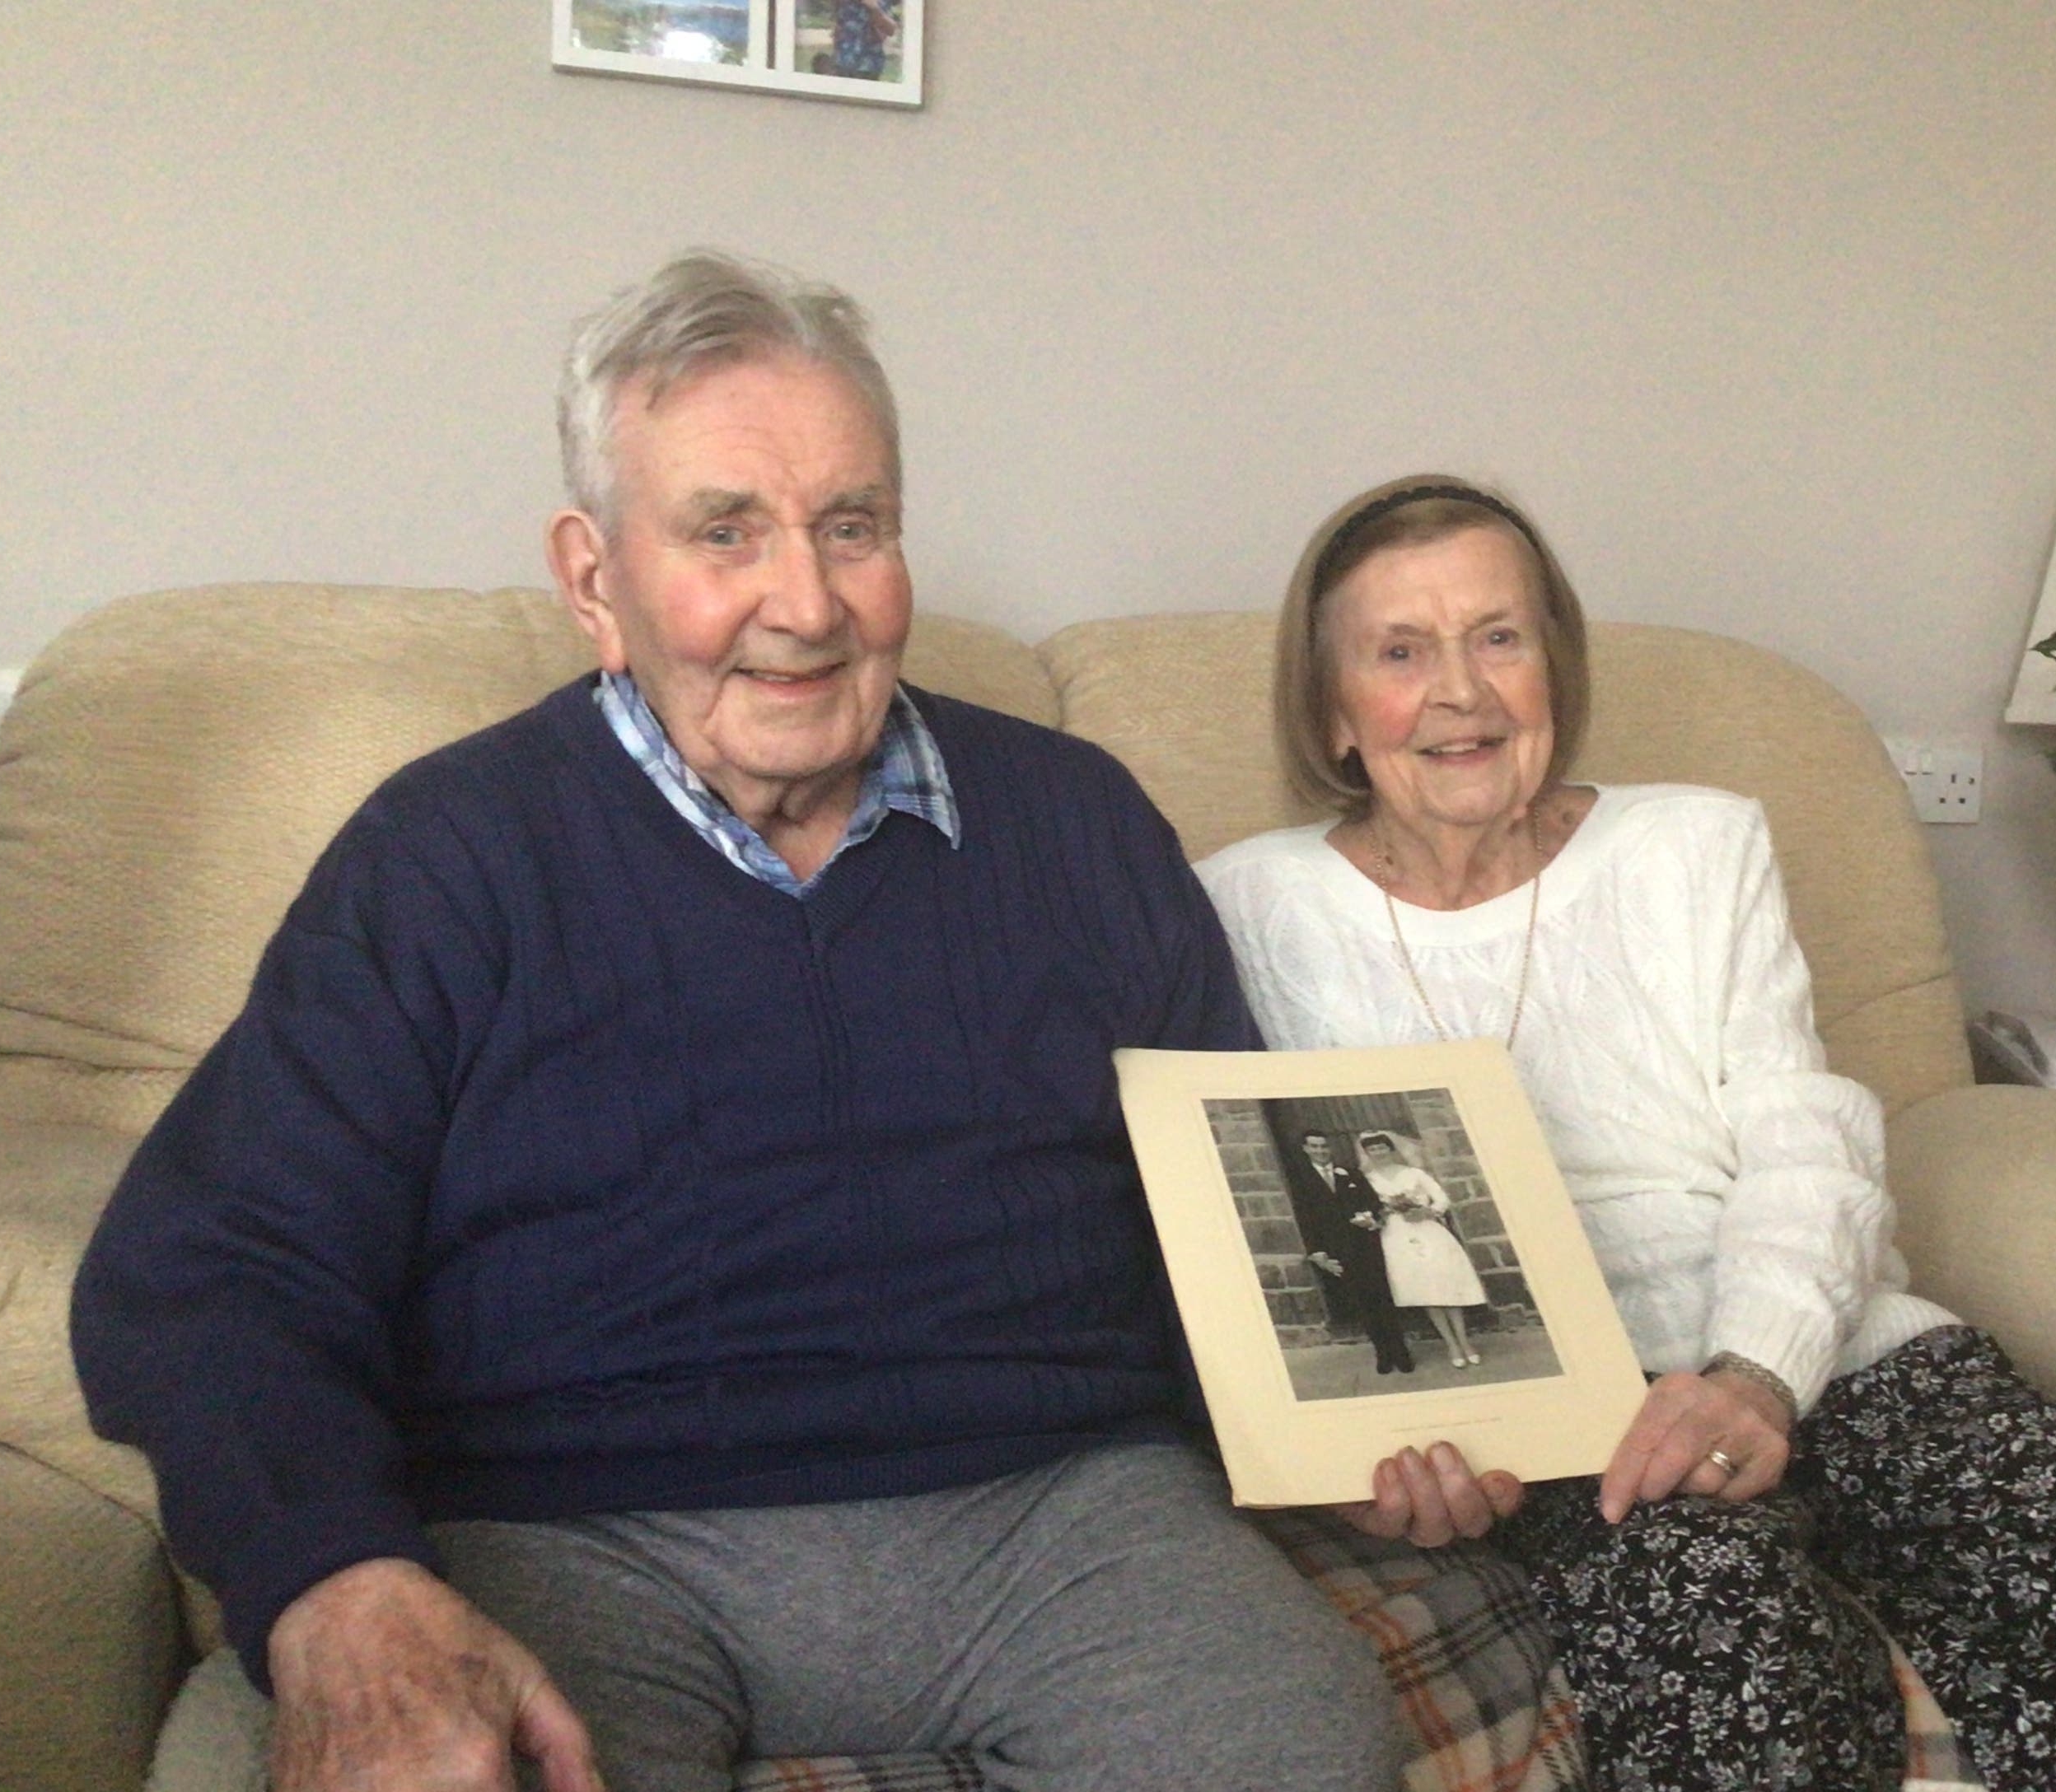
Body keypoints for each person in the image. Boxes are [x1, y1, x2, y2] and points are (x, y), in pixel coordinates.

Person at [68, 252, 1402, 1792]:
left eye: (854, 526)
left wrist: (1359, 1424)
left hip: (1059, 1512)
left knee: (1301, 1739)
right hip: (570, 1533)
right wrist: (333, 1582)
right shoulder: (448, 855)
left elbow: (1240, 1212)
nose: (808, 603)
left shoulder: (1076, 822)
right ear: (592, 578)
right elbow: (216, 1265)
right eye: (726, 532)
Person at [1194, 474, 2056, 1792]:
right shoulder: (1252, 907)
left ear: (1554, 667)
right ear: (1336, 713)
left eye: (1498, 637)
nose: (1460, 691)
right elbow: (1263, 1232)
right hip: (1571, 1418)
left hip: (1813, 1340)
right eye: (1401, 653)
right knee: (1721, 1634)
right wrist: (1367, 1455)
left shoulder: (1696, 845)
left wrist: (1759, 1373)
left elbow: (1806, 1137)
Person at [1354, 1130, 1485, 1368]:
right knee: (1424, 1287)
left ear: (1391, 1149)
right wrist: (1378, 1217)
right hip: (1396, 1235)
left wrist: (1428, 1211)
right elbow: (1367, 1208)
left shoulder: (1414, 1174)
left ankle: (1465, 1342)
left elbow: (1442, 1199)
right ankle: (1451, 1345)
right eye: (1373, 1150)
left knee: (1446, 1283)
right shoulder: (1368, 1180)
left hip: (1426, 1229)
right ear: (1367, 1154)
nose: (1379, 1153)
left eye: (1382, 1148)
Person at [1290, 1127, 1414, 1374]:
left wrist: (1372, 1219)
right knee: (1363, 1304)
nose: (1320, 1151)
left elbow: (1373, 1204)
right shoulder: (1300, 1180)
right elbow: (1304, 1220)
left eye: (1324, 1146)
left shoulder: (1351, 1173)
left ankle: (1401, 1352)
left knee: (1383, 1298)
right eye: (1314, 1147)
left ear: (1330, 1148)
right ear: (1306, 1149)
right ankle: (1383, 1353)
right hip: (1338, 1251)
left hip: (1367, 1246)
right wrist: (1318, 1254)